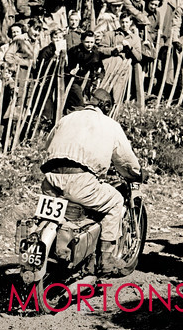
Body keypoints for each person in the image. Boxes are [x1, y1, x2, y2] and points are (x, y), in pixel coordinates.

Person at [40, 88, 142, 275]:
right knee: (115, 201)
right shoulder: (110, 125)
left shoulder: (67, 119)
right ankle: (106, 258)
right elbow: (125, 160)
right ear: (106, 106)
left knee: (49, 218)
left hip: (51, 179)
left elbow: (48, 145)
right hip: (80, 181)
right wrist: (136, 174)